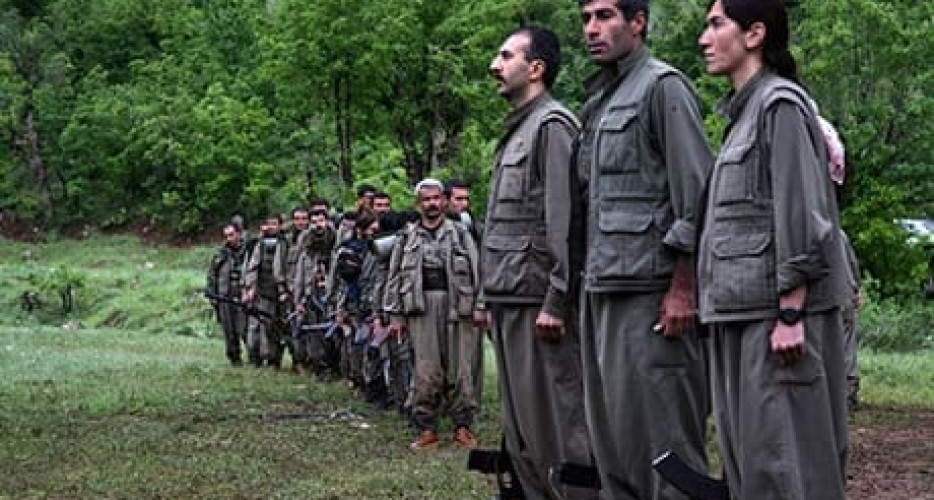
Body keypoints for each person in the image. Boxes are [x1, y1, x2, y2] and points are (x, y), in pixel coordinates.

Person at [696, 1, 852, 498]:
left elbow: (802, 211)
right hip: (740, 313)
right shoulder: (743, 113)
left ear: (755, 33)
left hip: (776, 322)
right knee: (752, 468)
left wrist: (790, 311)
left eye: (716, 24)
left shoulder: (779, 104)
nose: (704, 38)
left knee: (787, 467)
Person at [571, 1, 714, 498]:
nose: (592, 29)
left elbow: (696, 194)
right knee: (615, 445)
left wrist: (683, 288)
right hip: (602, 288)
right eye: (586, 18)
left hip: (651, 298)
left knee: (664, 448)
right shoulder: (599, 101)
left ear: (638, 22)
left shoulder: (662, 87)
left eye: (605, 15)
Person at [481, 25, 596, 500]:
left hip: (537, 302)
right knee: (522, 432)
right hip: (509, 296)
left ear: (536, 69)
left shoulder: (552, 127)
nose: (494, 65)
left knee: (555, 427)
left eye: (506, 56)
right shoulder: (518, 130)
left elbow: (564, 221)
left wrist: (556, 298)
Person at [383, 179, 482, 451]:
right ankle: (427, 429)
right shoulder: (407, 237)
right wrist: (395, 315)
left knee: (460, 370)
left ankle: (463, 427)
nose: (432, 204)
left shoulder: (460, 232)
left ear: (444, 201)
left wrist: (481, 306)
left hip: (457, 306)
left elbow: (477, 270)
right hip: (421, 308)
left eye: (436, 198)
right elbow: (394, 277)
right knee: (426, 371)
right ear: (419, 204)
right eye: (426, 200)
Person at [326, 211, 380, 389]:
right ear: (360, 229)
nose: (373, 233)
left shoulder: (378, 248)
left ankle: (368, 380)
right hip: (353, 302)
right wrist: (337, 306)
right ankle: (356, 377)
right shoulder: (347, 250)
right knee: (354, 342)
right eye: (371, 229)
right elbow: (339, 279)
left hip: (373, 301)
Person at [293, 209, 338, 378]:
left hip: (332, 297)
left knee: (333, 335)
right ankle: (318, 366)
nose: (318, 225)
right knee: (313, 333)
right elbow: (299, 278)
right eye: (314, 222)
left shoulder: (335, 245)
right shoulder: (306, 251)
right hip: (311, 295)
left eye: (321, 221)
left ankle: (334, 367)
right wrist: (298, 301)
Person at [242, 213, 289, 368]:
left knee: (281, 327)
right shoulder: (260, 245)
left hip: (284, 293)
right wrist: (250, 288)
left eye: (275, 223)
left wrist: (285, 289)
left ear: (280, 225)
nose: (271, 227)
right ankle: (265, 357)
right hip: (264, 292)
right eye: (269, 223)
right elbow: (253, 267)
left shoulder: (287, 243)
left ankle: (276, 359)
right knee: (264, 326)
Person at [206, 223, 248, 365]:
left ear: (239, 234)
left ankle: (255, 357)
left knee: (246, 328)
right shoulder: (220, 253)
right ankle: (234, 358)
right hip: (225, 295)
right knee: (229, 329)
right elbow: (212, 275)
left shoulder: (248, 251)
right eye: (226, 236)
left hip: (244, 294)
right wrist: (212, 294)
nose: (229, 239)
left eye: (231, 235)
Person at [276, 207, 311, 374]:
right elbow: (279, 267)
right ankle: (298, 360)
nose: (301, 222)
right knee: (293, 329)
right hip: (291, 291)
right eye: (297, 218)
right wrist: (282, 289)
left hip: (309, 289)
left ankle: (310, 360)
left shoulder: (314, 238)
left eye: (304, 218)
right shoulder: (286, 240)